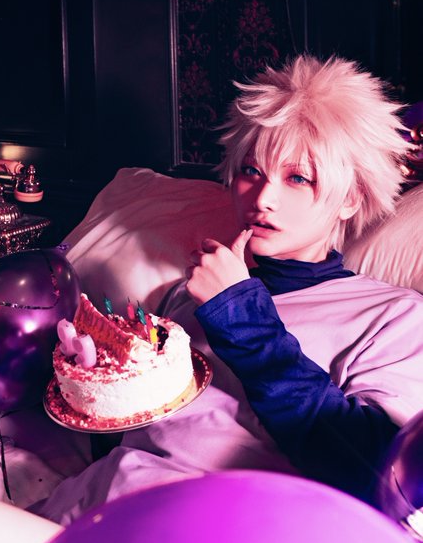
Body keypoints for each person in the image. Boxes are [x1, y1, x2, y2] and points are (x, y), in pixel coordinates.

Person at [165, 54, 423, 503]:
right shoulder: (188, 292)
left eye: (298, 178)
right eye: (251, 171)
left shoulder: (396, 316)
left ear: (350, 199)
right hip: (87, 500)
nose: (264, 198)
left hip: (214, 523)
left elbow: (380, 472)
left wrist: (240, 317)